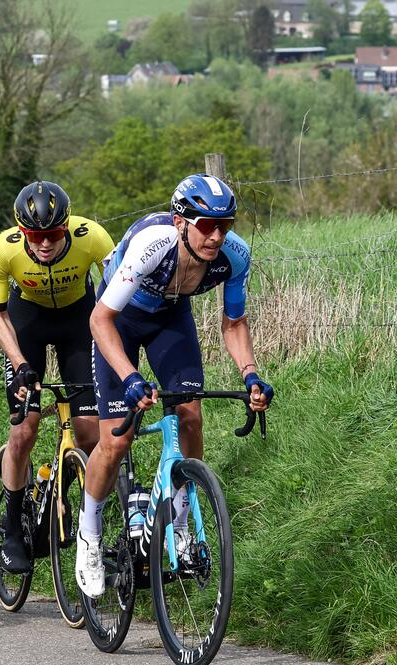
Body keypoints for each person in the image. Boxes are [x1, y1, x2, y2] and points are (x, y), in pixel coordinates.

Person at [74, 174, 273, 597]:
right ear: (181, 222)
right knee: (116, 439)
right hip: (119, 318)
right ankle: (89, 534)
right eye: (206, 225)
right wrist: (129, 377)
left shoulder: (234, 257)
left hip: (170, 316)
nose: (216, 236)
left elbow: (234, 323)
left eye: (226, 225)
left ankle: (180, 523)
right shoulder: (155, 243)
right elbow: (99, 320)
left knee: (190, 414)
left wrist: (250, 374)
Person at [0, 180, 115, 572]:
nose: (45, 244)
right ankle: (9, 526)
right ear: (22, 232)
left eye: (54, 235)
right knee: (25, 429)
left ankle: (67, 490)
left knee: (91, 432)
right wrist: (20, 363)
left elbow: (120, 297)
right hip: (29, 324)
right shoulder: (2, 249)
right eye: (36, 236)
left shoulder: (92, 237)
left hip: (79, 321)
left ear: (66, 226)